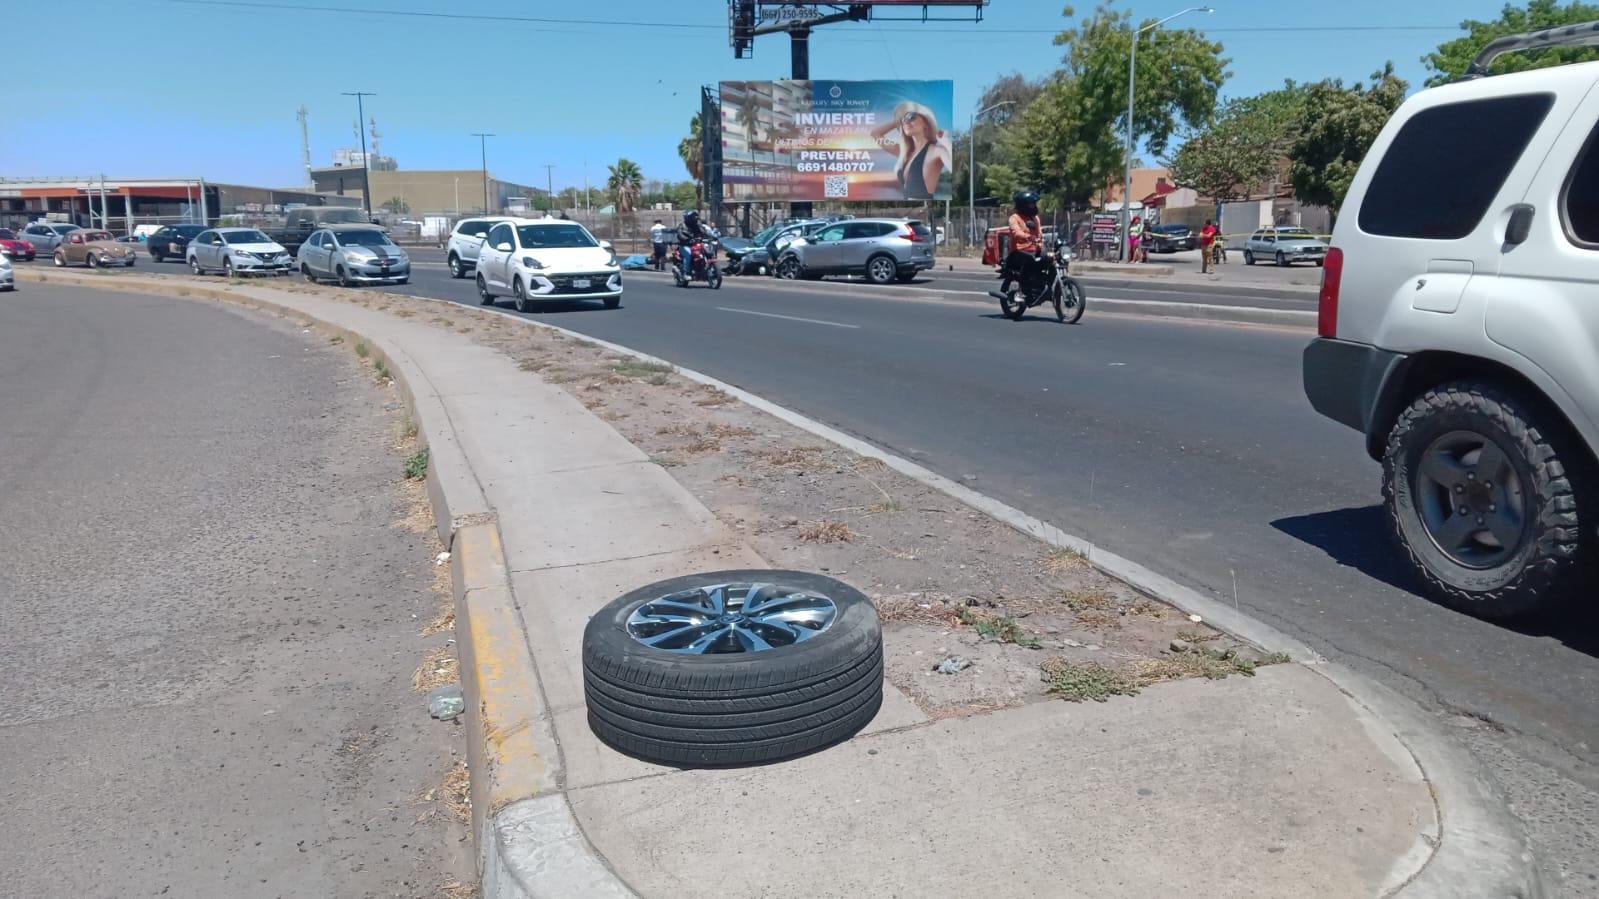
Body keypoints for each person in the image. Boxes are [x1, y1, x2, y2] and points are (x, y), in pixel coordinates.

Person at [870, 101, 953, 200]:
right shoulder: (903, 151)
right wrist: (897, 121)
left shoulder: (937, 151)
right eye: (904, 119)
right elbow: (875, 134)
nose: (906, 121)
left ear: (926, 124)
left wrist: (947, 143)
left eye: (911, 116)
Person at [996, 190, 1043, 298]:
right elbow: (1016, 233)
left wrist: (1040, 239)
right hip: (1020, 251)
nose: (1034, 206)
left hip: (1035, 249)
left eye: (1034, 204)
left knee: (1050, 259)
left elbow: (1039, 233)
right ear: (1023, 205)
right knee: (1030, 260)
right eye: (1031, 204)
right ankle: (1022, 291)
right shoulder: (1014, 218)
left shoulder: (1035, 218)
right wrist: (1028, 237)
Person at [676, 210, 712, 280]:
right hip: (685, 245)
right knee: (689, 255)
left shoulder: (698, 224)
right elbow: (680, 235)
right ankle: (687, 273)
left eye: (695, 217)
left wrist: (710, 236)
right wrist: (687, 239)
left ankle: (706, 270)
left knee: (707, 252)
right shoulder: (682, 225)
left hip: (696, 243)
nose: (695, 218)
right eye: (693, 217)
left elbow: (703, 231)